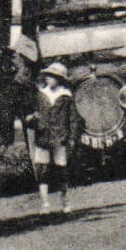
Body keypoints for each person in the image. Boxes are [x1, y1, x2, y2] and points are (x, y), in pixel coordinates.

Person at [26, 62, 77, 214]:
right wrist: (32, 120)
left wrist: (72, 138)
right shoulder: (41, 95)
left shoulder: (66, 97)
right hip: (43, 136)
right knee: (42, 170)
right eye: (47, 76)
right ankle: (45, 204)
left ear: (59, 79)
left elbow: (73, 119)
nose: (47, 78)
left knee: (61, 170)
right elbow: (33, 113)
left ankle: (65, 202)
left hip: (60, 138)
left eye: (51, 76)